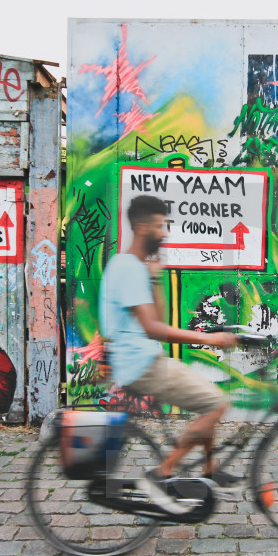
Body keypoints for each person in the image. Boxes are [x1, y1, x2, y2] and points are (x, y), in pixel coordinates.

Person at [100, 195, 239, 514]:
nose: (165, 233)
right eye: (161, 227)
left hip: (144, 358)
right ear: (143, 226)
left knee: (206, 397)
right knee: (216, 404)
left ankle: (208, 470)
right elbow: (152, 328)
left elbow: (156, 318)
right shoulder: (128, 267)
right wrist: (211, 340)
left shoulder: (132, 267)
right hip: (143, 363)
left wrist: (156, 275)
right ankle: (161, 474)